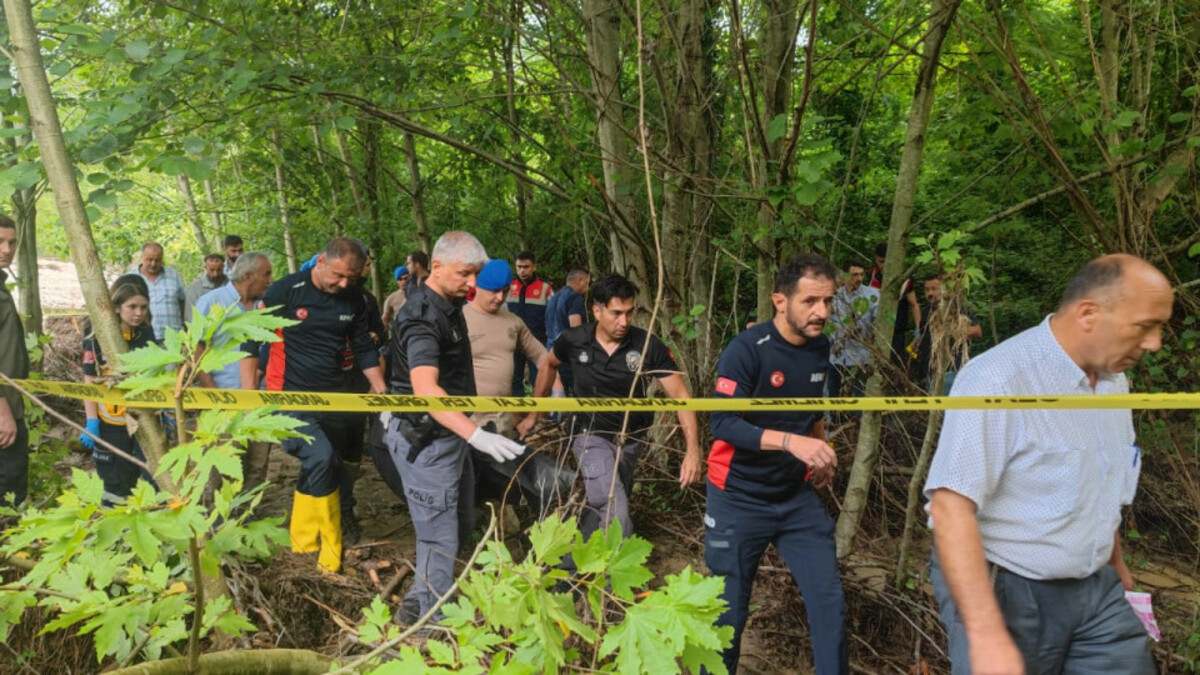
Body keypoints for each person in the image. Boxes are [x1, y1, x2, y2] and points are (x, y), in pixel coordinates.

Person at [924, 254, 1171, 675]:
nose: (1155, 343)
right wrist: (986, 635)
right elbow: (950, 509)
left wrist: (1115, 562)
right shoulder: (998, 379)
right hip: (1007, 587)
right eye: (1144, 326)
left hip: (1099, 589)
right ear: (1089, 314)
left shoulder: (1115, 383)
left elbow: (1100, 478)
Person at [704, 253, 847, 674]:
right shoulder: (746, 350)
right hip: (738, 497)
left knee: (830, 603)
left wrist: (819, 451)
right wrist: (790, 442)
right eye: (810, 301)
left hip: (795, 497)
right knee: (726, 616)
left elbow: (813, 411)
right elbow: (722, 423)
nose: (822, 312)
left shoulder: (820, 346)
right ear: (780, 301)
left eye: (828, 301)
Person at [383, 231, 527, 623]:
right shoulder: (421, 317)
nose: (472, 282)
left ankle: (418, 601)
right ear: (436, 266)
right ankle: (432, 627)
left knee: (460, 520)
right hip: (426, 441)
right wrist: (476, 435)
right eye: (465, 273)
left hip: (450, 436)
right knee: (440, 536)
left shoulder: (449, 304)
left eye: (476, 273)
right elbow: (426, 388)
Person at [518, 274, 703, 542]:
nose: (624, 321)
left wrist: (692, 450)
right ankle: (611, 568)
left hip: (630, 439)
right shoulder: (574, 339)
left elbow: (681, 396)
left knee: (606, 504)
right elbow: (548, 364)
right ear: (597, 311)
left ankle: (572, 561)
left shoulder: (646, 345)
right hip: (589, 435)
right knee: (614, 507)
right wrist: (535, 414)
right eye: (616, 313)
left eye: (629, 312)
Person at [259, 237, 386, 573]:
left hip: (332, 397)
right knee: (322, 457)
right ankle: (331, 548)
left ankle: (302, 543)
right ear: (320, 262)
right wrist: (249, 398)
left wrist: (381, 389)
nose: (344, 284)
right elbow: (251, 342)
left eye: (351, 278)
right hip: (287, 396)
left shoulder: (354, 298)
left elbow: (363, 347)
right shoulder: (285, 291)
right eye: (338, 275)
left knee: (319, 465)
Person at [465, 259, 573, 513]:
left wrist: (547, 401)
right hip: (468, 423)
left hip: (503, 424)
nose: (500, 297)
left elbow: (544, 360)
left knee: (508, 486)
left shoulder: (513, 322)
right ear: (477, 286)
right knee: (471, 487)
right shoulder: (459, 319)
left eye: (504, 291)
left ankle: (510, 525)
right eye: (493, 291)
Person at [194, 252, 274, 489]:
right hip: (225, 402)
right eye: (266, 274)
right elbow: (196, 351)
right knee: (224, 468)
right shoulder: (211, 303)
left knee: (257, 466)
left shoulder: (267, 306)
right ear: (248, 276)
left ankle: (248, 510)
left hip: (261, 401)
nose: (271, 280)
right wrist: (214, 396)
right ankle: (219, 512)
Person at [79, 275, 158, 505]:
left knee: (152, 477)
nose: (139, 313)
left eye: (143, 307)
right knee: (115, 484)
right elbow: (89, 380)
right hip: (110, 422)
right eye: (132, 307)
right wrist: (91, 421)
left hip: (142, 418)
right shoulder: (96, 335)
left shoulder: (145, 334)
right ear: (116, 307)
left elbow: (154, 375)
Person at [0, 215, 31, 507]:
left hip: (12, 404)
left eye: (12, 242)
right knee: (8, 494)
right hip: (3, 411)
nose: (7, 249)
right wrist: (3, 411)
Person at [914, 275, 982, 395]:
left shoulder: (957, 307)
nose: (930, 293)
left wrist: (951, 329)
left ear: (943, 289)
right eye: (927, 290)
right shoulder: (926, 312)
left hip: (951, 371)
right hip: (931, 373)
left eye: (934, 289)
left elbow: (977, 331)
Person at [828, 259, 879, 406]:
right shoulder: (834, 296)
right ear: (844, 276)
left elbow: (883, 321)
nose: (859, 278)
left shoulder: (872, 295)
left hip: (860, 358)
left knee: (856, 403)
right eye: (854, 275)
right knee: (834, 400)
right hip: (836, 357)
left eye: (862, 275)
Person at [865, 243, 921, 364]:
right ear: (876, 260)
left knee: (894, 366)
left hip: (896, 333)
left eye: (886, 261)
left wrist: (918, 329)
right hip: (873, 331)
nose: (884, 265)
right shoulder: (871, 275)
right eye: (881, 262)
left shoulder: (904, 278)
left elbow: (914, 304)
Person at [507, 251, 552, 395]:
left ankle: (539, 409)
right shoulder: (508, 287)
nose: (522, 271)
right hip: (513, 341)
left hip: (537, 341)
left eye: (526, 267)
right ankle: (517, 409)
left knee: (539, 378)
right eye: (519, 267)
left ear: (534, 267)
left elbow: (552, 317)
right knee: (514, 379)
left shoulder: (545, 289)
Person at [544, 268, 590, 394]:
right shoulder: (574, 298)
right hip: (568, 356)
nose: (588, 287)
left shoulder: (553, 298)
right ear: (580, 280)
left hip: (551, 352)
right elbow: (576, 329)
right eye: (587, 283)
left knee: (557, 395)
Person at [131, 242, 185, 341]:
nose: (153, 264)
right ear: (142, 257)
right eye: (149, 260)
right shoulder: (130, 278)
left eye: (157, 260)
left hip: (174, 338)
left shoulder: (173, 275)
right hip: (142, 339)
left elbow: (183, 301)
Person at [184, 253, 228, 323]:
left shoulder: (231, 285)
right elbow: (190, 315)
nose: (215, 274)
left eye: (218, 270)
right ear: (206, 267)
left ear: (223, 267)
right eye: (212, 270)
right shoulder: (194, 288)